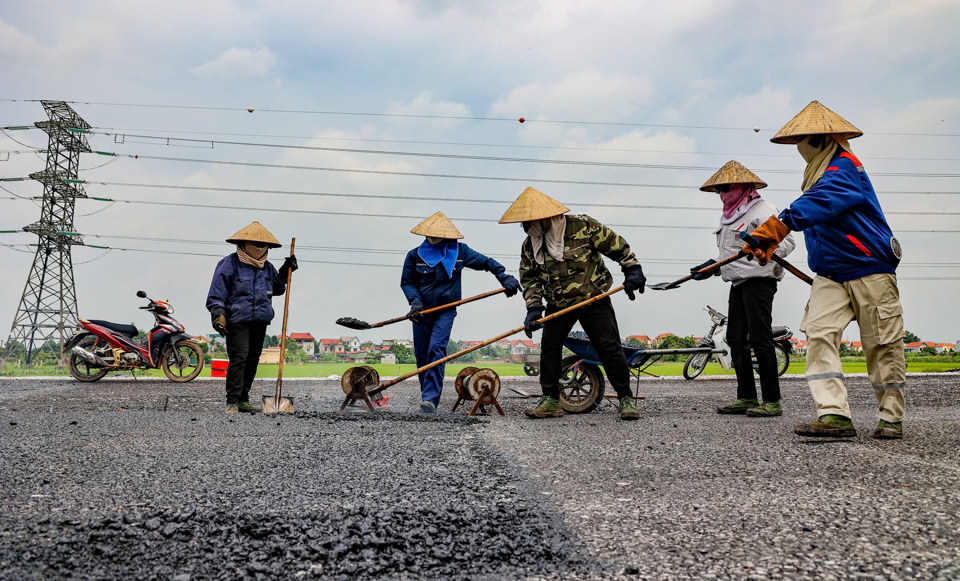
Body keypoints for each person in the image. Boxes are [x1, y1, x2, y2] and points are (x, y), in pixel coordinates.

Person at [742, 100, 905, 439]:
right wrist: (767, 242)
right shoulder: (816, 174)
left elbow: (822, 202)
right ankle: (834, 415)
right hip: (830, 274)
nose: (799, 148)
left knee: (881, 344)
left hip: (868, 267)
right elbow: (814, 211)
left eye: (803, 141)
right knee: (818, 333)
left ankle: (890, 418)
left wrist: (778, 226)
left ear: (820, 140)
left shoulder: (844, 168)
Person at [499, 187, 647, 421]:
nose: (526, 226)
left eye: (529, 221)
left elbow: (616, 245)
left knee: (608, 347)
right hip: (558, 304)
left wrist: (632, 268)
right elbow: (530, 279)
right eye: (524, 222)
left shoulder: (582, 225)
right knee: (549, 348)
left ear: (544, 217)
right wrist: (534, 308)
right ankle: (550, 400)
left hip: (592, 298)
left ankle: (625, 398)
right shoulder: (530, 245)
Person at [691, 161, 795, 417]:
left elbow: (787, 242)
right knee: (736, 339)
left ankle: (772, 401)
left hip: (759, 281)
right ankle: (746, 396)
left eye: (725, 188)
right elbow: (731, 255)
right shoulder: (729, 216)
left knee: (760, 339)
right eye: (718, 190)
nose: (722, 194)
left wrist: (764, 250)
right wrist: (712, 266)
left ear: (742, 186)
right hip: (737, 283)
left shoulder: (763, 210)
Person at [400, 211, 521, 413]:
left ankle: (430, 401)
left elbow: (486, 262)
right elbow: (407, 282)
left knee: (436, 349)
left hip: (446, 311)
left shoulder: (459, 252)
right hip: (421, 313)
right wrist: (415, 302)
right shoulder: (414, 256)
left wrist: (503, 276)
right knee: (422, 355)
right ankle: (426, 397)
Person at [206, 221, 298, 413]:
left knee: (252, 360)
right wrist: (218, 315)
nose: (258, 248)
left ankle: (243, 399)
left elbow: (278, 288)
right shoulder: (228, 264)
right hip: (237, 320)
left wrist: (285, 270)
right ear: (243, 243)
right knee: (239, 358)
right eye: (254, 244)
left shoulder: (267, 267)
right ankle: (232, 400)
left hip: (260, 320)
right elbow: (216, 294)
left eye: (262, 244)